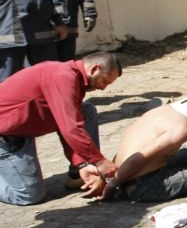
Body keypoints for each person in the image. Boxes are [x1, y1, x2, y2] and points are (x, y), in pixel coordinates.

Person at [0, 52, 121, 205]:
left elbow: (65, 124)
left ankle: (79, 175)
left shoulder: (73, 78)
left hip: (23, 129)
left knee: (86, 110)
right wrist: (99, 161)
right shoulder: (63, 77)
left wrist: (82, 164)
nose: (103, 88)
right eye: (105, 81)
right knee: (28, 195)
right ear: (94, 69)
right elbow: (70, 129)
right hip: (7, 135)